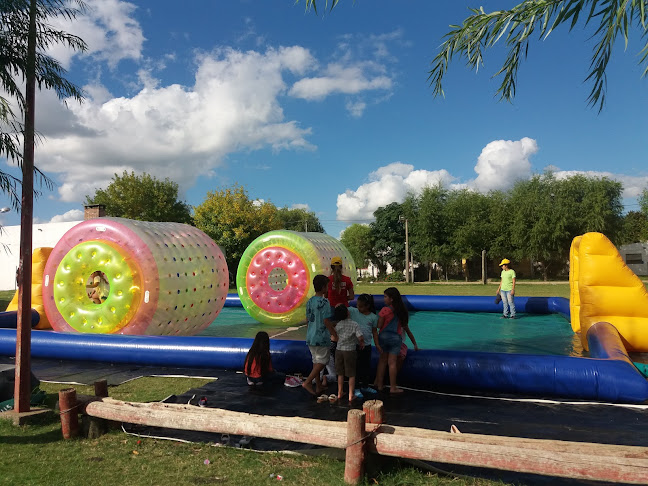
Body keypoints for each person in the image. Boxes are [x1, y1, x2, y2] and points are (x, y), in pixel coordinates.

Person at [373, 287, 419, 394]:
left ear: (391, 299)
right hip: (395, 339)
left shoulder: (384, 310)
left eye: (385, 297)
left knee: (382, 361)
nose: (383, 299)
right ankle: (393, 387)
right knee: (392, 363)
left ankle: (379, 385)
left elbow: (379, 325)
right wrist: (415, 344)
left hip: (383, 337)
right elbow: (405, 327)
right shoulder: (401, 311)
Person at [303, 274, 338, 396]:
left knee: (316, 361)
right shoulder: (324, 302)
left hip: (311, 336)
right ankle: (307, 382)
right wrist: (334, 333)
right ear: (324, 287)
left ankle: (318, 386)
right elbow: (326, 321)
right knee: (324, 361)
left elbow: (307, 319)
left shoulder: (310, 301)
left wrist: (309, 332)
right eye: (327, 286)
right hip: (321, 337)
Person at [333, 305, 364, 402]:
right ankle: (351, 395)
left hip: (339, 350)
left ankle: (340, 392)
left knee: (340, 373)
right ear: (347, 313)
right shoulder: (354, 324)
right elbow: (360, 337)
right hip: (350, 350)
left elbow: (334, 337)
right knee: (351, 374)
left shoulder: (338, 325)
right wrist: (361, 343)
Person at [348, 294, 378, 394]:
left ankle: (365, 385)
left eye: (361, 306)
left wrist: (377, 345)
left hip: (367, 345)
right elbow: (341, 307)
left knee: (366, 366)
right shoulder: (353, 311)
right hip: (355, 345)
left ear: (367, 306)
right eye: (357, 305)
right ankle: (356, 387)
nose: (358, 307)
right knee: (356, 367)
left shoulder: (373, 317)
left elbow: (374, 332)